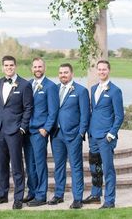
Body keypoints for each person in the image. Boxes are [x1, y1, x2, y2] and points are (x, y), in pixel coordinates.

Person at [0, 55, 33, 210]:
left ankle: (18, 198)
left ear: (15, 66)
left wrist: (22, 127)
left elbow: (28, 108)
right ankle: (2, 195)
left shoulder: (24, 85)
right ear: (2, 67)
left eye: (11, 65)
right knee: (1, 165)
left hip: (15, 130)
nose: (8, 68)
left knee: (16, 165)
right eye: (6, 65)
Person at [82, 60, 124, 209]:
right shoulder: (93, 89)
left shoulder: (115, 90)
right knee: (95, 167)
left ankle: (110, 200)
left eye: (104, 69)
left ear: (109, 70)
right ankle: (95, 194)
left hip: (106, 137)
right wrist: (88, 131)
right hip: (93, 135)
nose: (101, 72)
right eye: (99, 69)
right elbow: (94, 111)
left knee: (108, 169)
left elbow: (119, 116)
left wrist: (111, 134)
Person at [49, 63, 90, 209]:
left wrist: (80, 133)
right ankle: (59, 195)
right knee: (59, 166)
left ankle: (77, 198)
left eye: (65, 72)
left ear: (71, 73)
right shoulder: (54, 89)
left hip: (73, 135)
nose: (63, 75)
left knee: (75, 166)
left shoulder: (81, 90)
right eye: (60, 73)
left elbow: (85, 115)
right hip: (56, 134)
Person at [24, 57, 59, 206]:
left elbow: (53, 111)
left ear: (44, 68)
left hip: (39, 132)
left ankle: (41, 195)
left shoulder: (50, 86)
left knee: (40, 164)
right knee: (30, 164)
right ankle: (32, 191)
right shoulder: (28, 85)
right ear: (31, 69)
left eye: (40, 67)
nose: (37, 69)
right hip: (27, 131)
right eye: (35, 67)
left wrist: (46, 128)